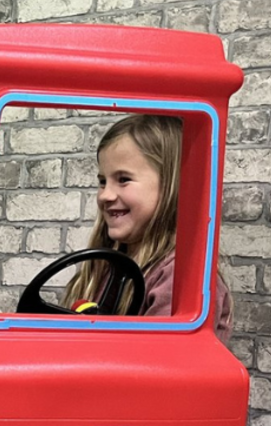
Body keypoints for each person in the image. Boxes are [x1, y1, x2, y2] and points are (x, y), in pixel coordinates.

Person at [62, 114, 232, 342]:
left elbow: (162, 367)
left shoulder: (180, 279)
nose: (105, 195)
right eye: (102, 181)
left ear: (173, 185)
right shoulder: (106, 266)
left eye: (123, 179)